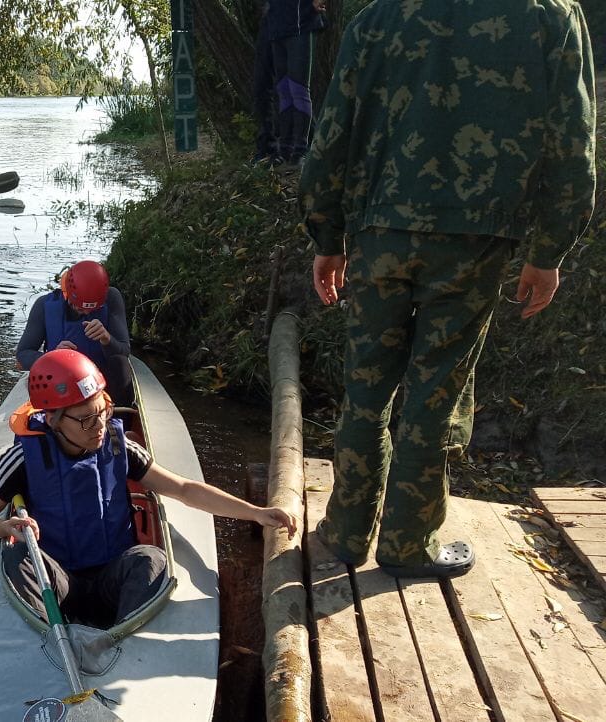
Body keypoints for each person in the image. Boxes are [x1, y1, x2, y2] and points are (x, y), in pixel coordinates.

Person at [301, 0, 596, 578]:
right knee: (435, 392)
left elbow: (331, 133)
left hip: (379, 231)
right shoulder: (550, 15)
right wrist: (548, 251)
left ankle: (345, 532)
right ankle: (408, 544)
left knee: (366, 387)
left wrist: (327, 235)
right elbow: (572, 143)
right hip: (475, 238)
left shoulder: (377, 17)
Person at [0, 350, 297, 627]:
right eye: (85, 419)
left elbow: (184, 489)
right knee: (18, 555)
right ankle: (50, 634)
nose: (99, 426)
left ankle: (124, 635)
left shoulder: (117, 445)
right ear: (52, 420)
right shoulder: (23, 458)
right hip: (58, 578)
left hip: (113, 578)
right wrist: (5, 527)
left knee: (151, 559)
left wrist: (255, 512)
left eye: (103, 411)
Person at [16, 260, 136, 408]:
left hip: (103, 377)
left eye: (92, 308)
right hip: (63, 382)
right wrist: (53, 357)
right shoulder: (44, 305)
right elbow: (23, 354)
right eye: (80, 308)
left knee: (120, 362)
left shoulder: (112, 298)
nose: (86, 312)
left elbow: (124, 351)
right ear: (69, 297)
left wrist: (107, 338)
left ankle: (121, 413)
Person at [251, 0, 326, 164]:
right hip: (276, 26)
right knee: (284, 90)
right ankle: (285, 151)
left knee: (299, 89)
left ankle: (301, 151)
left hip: (301, 23)